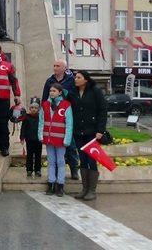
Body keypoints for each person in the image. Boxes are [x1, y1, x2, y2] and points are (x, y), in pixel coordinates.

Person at [41, 59, 80, 180]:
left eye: (58, 66)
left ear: (64, 68)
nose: (55, 68)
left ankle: (74, 168)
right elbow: (44, 99)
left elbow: (75, 97)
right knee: (55, 144)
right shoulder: (49, 81)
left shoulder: (71, 80)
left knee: (70, 143)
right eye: (54, 66)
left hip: (67, 114)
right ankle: (55, 174)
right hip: (53, 117)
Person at [71, 70, 107, 201]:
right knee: (83, 159)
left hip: (92, 132)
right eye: (75, 77)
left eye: (78, 77)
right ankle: (84, 189)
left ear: (85, 79)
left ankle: (92, 190)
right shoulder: (73, 92)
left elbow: (103, 110)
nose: (76, 79)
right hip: (78, 132)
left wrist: (100, 130)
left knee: (92, 160)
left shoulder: (95, 91)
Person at [38, 83, 73, 197]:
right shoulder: (45, 105)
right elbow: (41, 121)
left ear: (60, 92)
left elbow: (69, 124)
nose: (51, 93)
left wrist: (67, 139)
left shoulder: (66, 105)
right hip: (49, 138)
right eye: (50, 91)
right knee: (51, 162)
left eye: (54, 91)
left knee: (60, 162)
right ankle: (51, 183)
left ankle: (60, 184)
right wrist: (40, 135)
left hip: (60, 139)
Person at [20, 100, 42, 178]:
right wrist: (22, 137)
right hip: (29, 140)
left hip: (38, 140)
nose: (34, 109)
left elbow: (43, 127)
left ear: (38, 109)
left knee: (38, 155)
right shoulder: (26, 117)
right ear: (29, 109)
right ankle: (29, 169)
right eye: (32, 108)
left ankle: (38, 170)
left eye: (36, 108)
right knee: (29, 155)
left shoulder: (40, 118)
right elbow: (23, 128)